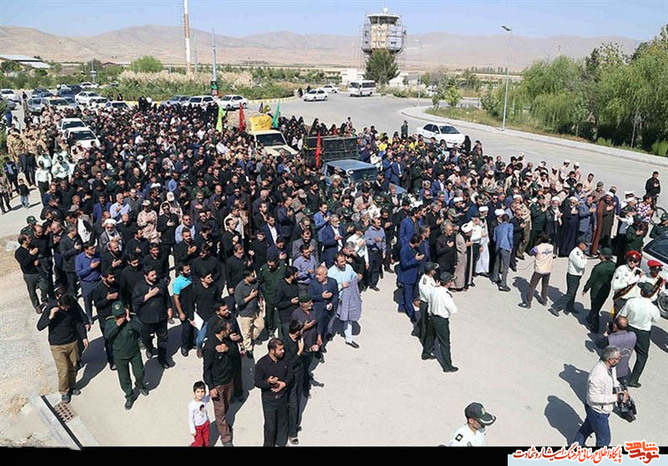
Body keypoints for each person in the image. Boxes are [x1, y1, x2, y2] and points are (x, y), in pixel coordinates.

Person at [37, 294, 88, 403]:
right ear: (59, 303)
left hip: (72, 342)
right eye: (64, 308)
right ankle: (64, 391)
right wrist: (50, 317)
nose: (66, 310)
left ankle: (72, 386)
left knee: (73, 367)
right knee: (63, 370)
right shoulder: (51, 308)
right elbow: (40, 326)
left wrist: (84, 337)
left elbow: (78, 323)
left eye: (67, 308)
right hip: (57, 345)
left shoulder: (72, 307)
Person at [573, 346, 627, 447]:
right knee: (604, 440)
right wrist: (616, 397)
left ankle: (575, 447)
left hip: (597, 410)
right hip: (597, 412)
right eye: (618, 358)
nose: (620, 360)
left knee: (587, 428)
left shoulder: (610, 367)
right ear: (610, 360)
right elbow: (593, 397)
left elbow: (613, 380)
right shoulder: (598, 375)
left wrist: (621, 389)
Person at [104, 301, 148, 409]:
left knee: (140, 372)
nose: (120, 318)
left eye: (122, 315)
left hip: (134, 352)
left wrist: (129, 319)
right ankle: (129, 396)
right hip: (120, 355)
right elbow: (107, 335)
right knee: (124, 378)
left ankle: (140, 384)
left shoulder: (132, 318)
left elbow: (141, 328)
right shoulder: (110, 322)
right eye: (118, 316)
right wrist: (117, 324)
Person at [618, 282, 661, 388]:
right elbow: (656, 320)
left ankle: (618, 373)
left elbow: (622, 315)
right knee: (642, 356)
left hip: (629, 328)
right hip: (643, 333)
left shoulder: (631, 302)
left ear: (642, 292)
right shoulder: (653, 308)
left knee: (623, 352)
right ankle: (634, 380)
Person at [202, 320, 236, 447]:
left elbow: (235, 352)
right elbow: (206, 370)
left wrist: (227, 349)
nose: (230, 331)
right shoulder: (210, 347)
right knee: (220, 412)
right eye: (228, 329)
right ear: (222, 331)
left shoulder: (226, 341)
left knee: (226, 405)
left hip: (228, 380)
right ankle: (226, 438)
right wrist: (211, 387)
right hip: (218, 384)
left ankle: (223, 425)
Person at [254, 338, 293, 447]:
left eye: (283, 349)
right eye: (280, 349)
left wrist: (284, 384)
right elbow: (257, 382)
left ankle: (281, 443)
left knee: (282, 422)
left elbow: (290, 374)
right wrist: (268, 382)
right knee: (270, 426)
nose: (283, 351)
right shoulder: (262, 364)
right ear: (272, 350)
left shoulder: (285, 359)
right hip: (269, 399)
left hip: (282, 397)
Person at [132, 266, 173, 369]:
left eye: (155, 274)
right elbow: (135, 303)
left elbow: (167, 296)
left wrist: (169, 308)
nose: (155, 277)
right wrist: (149, 295)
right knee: (146, 338)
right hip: (147, 319)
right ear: (146, 276)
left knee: (163, 338)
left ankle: (162, 358)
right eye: (152, 275)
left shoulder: (161, 283)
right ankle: (149, 348)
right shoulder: (139, 287)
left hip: (161, 317)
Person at [329, 252, 362, 348]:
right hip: (336, 298)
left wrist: (358, 277)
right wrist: (340, 286)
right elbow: (330, 288)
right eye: (341, 262)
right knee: (332, 317)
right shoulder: (331, 272)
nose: (344, 263)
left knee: (348, 318)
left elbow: (354, 276)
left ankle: (349, 339)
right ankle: (329, 333)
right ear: (336, 262)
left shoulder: (349, 268)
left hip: (347, 297)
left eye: (344, 261)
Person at [428, 272, 459, 373]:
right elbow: (454, 310)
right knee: (445, 343)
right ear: (448, 283)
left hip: (433, 317)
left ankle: (426, 353)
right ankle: (447, 366)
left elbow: (430, 302)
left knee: (430, 337)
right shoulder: (446, 295)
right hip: (441, 321)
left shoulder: (434, 289)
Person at [549, 239, 587, 317]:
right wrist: (585, 260)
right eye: (585, 245)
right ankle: (555, 307)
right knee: (570, 293)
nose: (586, 247)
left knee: (573, 292)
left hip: (577, 275)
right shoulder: (575, 253)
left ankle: (569, 307)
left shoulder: (580, 252)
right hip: (573, 276)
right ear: (580, 244)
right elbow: (580, 265)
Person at [582, 247, 616, 332]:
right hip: (606, 289)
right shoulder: (613, 266)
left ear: (603, 256)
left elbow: (592, 280)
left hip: (596, 290)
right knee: (598, 306)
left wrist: (586, 288)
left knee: (595, 308)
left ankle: (595, 326)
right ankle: (590, 317)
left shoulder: (598, 267)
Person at [596, 316, 636, 387]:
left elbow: (599, 343)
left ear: (615, 326)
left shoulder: (611, 339)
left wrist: (606, 333)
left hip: (609, 371)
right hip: (623, 370)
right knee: (622, 389)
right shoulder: (632, 336)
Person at [15, 233, 48, 313]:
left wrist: (37, 260)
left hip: (38, 271)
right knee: (32, 291)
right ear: (24, 241)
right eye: (28, 238)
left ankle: (44, 299)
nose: (30, 239)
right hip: (29, 274)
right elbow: (24, 264)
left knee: (44, 287)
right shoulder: (19, 252)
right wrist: (31, 255)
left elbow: (39, 254)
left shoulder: (32, 247)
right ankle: (37, 306)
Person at [235, 268, 264, 359]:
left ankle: (253, 337)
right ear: (246, 277)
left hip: (256, 310)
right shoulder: (240, 287)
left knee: (260, 326)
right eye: (252, 276)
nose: (254, 277)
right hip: (245, 313)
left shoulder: (256, 283)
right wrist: (251, 296)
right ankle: (248, 348)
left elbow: (259, 294)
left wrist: (261, 304)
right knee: (246, 332)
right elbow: (239, 302)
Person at [521, 232, 554, 309]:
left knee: (532, 286)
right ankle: (544, 300)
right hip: (548, 269)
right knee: (545, 285)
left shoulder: (537, 248)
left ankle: (528, 302)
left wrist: (536, 244)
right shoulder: (551, 247)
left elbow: (531, 253)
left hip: (539, 269)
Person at [74, 242, 102, 325]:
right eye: (91, 249)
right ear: (86, 250)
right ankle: (89, 317)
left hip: (98, 281)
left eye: (94, 248)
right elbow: (79, 273)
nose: (94, 250)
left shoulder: (98, 255)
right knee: (87, 301)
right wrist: (90, 267)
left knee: (100, 300)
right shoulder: (79, 258)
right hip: (86, 283)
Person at [417, 262, 438, 359]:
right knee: (426, 325)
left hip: (427, 303)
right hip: (426, 304)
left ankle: (416, 331)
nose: (435, 271)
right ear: (430, 271)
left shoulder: (430, 278)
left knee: (424, 321)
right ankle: (425, 343)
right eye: (433, 269)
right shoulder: (425, 281)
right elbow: (428, 295)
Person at [491, 213, 513, 292]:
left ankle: (495, 278)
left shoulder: (497, 227)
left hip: (498, 247)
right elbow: (510, 236)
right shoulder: (510, 226)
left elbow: (494, 239)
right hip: (505, 246)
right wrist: (511, 246)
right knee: (505, 266)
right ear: (508, 219)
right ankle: (503, 284)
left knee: (497, 263)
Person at [188, 381, 211, 447]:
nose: (200, 394)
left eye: (202, 391)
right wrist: (192, 430)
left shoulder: (204, 399)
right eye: (198, 392)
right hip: (197, 427)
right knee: (199, 442)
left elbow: (209, 395)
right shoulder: (192, 405)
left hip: (205, 424)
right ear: (194, 393)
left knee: (206, 439)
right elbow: (190, 419)